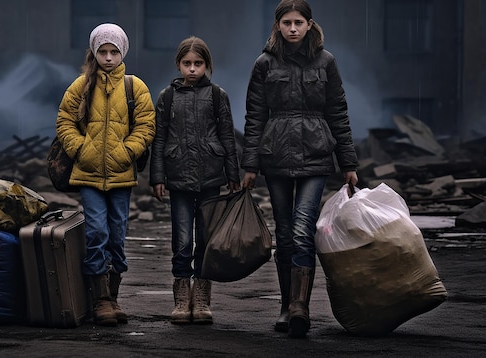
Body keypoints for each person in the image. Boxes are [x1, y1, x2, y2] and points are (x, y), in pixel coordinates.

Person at [241, 0, 359, 339]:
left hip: (316, 156)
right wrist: (250, 165)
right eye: (287, 22)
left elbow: (338, 112)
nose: (293, 28)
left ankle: (299, 307)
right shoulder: (264, 64)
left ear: (309, 25)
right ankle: (285, 304)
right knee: (285, 231)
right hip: (276, 156)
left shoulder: (326, 62)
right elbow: (254, 117)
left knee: (303, 229)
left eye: (299, 22)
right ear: (277, 26)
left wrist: (348, 163)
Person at [55, 23, 155, 326]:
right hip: (88, 175)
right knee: (96, 231)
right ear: (94, 53)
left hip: (122, 176)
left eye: (114, 52)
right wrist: (81, 150)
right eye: (103, 51)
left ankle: (113, 297)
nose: (108, 57)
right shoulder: (80, 85)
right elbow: (64, 121)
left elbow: (147, 125)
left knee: (117, 234)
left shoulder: (134, 87)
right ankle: (99, 300)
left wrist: (127, 152)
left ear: (122, 52)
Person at [149, 36, 240, 325]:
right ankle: (181, 296)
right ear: (178, 64)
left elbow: (227, 136)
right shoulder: (166, 97)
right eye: (187, 64)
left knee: (206, 238)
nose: (192, 69)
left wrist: (233, 174)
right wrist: (157, 176)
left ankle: (201, 297)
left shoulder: (217, 96)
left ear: (207, 65)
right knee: (182, 239)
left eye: (198, 64)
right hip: (178, 177)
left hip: (211, 176)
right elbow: (159, 138)